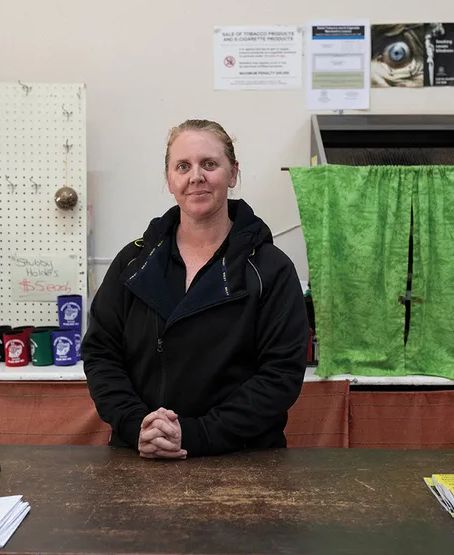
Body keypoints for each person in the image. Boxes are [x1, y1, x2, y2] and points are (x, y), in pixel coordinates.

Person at [82, 119, 309, 459]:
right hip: (142, 456)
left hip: (243, 462)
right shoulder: (133, 263)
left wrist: (195, 434)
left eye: (210, 164)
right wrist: (135, 425)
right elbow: (101, 354)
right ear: (169, 179)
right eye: (183, 166)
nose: (196, 177)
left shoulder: (270, 269)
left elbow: (280, 376)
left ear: (233, 174)